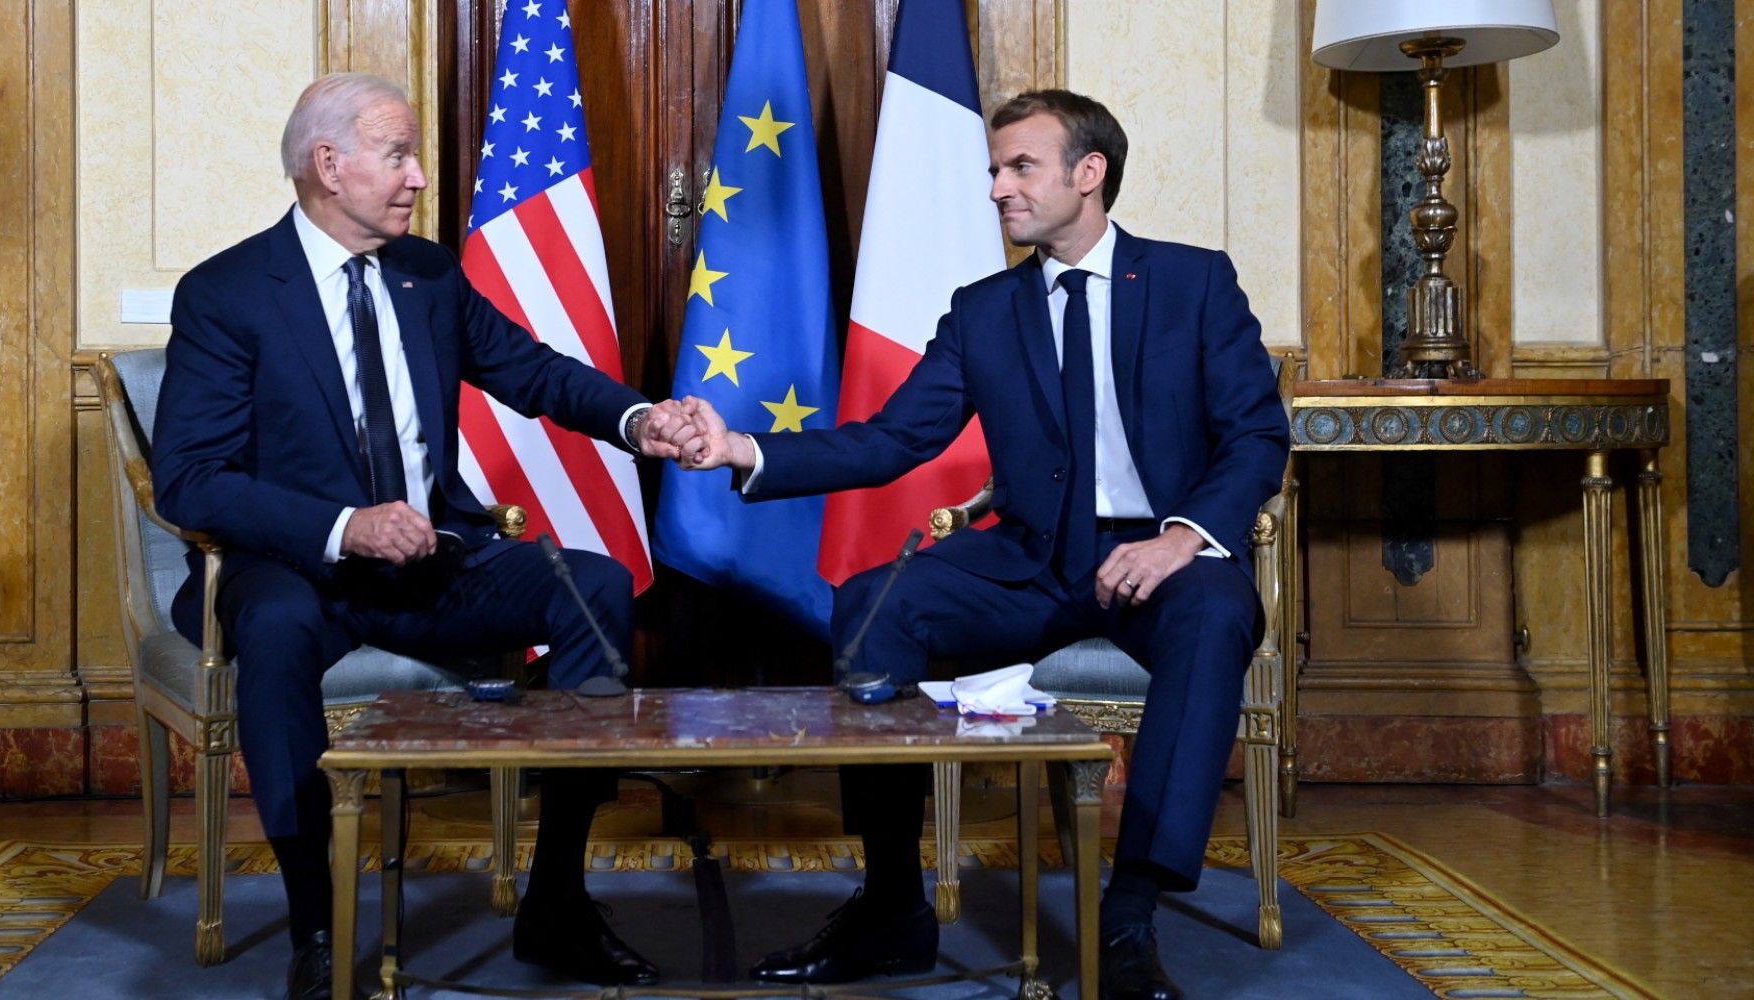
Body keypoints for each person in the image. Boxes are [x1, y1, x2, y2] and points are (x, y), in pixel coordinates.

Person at [664, 89, 1289, 1000]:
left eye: (1020, 167)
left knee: (1215, 619)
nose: (998, 187)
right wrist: (744, 450)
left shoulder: (1194, 283)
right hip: (1032, 562)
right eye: (994, 170)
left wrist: (1181, 539)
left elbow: (1256, 436)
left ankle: (1129, 915)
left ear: (1088, 173)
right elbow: (894, 439)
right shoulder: (984, 309)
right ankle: (891, 907)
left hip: (1166, 559)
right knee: (874, 604)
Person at [151, 73, 696, 999]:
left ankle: (557, 903)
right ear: (330, 164)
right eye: (397, 154)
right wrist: (345, 527)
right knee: (275, 631)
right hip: (295, 568)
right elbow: (190, 478)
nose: (417, 177)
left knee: (596, 587)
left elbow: (533, 371)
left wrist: (638, 420)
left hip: (431, 560)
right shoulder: (228, 293)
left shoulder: (430, 275)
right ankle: (318, 926)